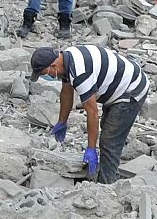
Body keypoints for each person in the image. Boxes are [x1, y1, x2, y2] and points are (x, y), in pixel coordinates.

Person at [30, 43, 149, 184]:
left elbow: (92, 112)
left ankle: (106, 188)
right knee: (108, 129)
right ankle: (109, 173)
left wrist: (91, 148)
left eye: (46, 73)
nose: (49, 76)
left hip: (131, 90)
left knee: (110, 141)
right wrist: (62, 121)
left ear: (53, 66)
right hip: (118, 85)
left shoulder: (81, 73)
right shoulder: (67, 58)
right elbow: (67, 93)